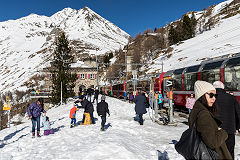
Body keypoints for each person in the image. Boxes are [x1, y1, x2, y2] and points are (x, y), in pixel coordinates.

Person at [188, 80, 232, 159]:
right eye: (211, 95)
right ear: (202, 95)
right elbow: (212, 142)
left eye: (215, 96)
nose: (214, 98)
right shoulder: (204, 114)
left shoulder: (196, 110)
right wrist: (222, 132)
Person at [213, 81, 240, 159]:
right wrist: (237, 127)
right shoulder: (232, 98)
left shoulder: (211, 98)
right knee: (230, 151)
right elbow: (238, 114)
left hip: (216, 131)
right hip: (230, 130)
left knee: (217, 152)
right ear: (223, 88)